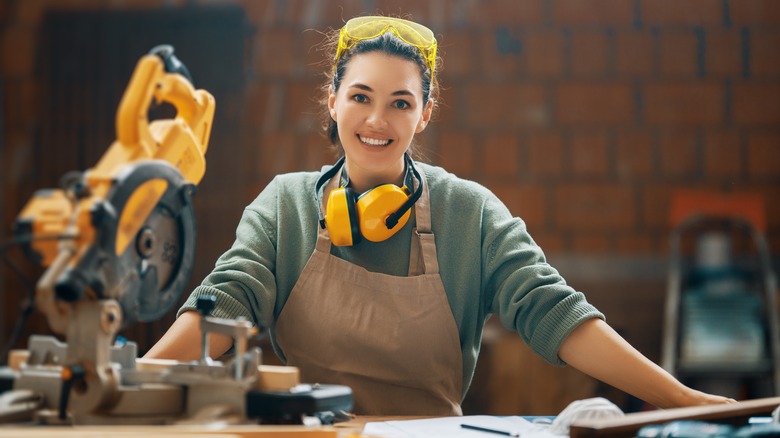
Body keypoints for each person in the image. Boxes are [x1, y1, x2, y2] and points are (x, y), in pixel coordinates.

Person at [145, 15, 734, 416]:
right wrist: (129, 385)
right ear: (333, 100)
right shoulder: (285, 205)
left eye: (400, 102)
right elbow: (223, 306)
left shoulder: (468, 214)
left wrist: (682, 399)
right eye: (360, 97)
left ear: (424, 115)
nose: (377, 120)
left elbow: (555, 312)